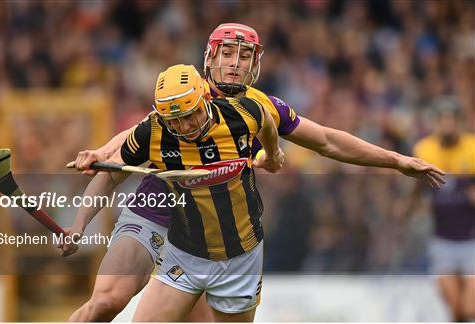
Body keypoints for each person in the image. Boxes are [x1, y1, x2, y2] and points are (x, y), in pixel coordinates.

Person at [63, 23, 446, 321]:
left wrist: (397, 160)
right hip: (157, 211)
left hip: (216, 234)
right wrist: (100, 156)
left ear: (255, 63)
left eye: (245, 56)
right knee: (106, 304)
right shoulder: (187, 95)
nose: (235, 63)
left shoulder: (259, 106)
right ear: (209, 59)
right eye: (227, 53)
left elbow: (328, 141)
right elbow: (137, 134)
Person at [67, 63, 283, 321]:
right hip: (161, 220)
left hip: (226, 243)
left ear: (206, 99)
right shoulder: (154, 132)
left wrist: (273, 154)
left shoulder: (242, 115)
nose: (184, 127)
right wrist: (78, 226)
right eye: (174, 121)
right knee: (107, 300)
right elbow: (111, 173)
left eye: (190, 115)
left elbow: (267, 122)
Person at [412, 97, 475, 322]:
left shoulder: (473, 148)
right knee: (456, 311)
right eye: (442, 120)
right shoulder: (424, 149)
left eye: (451, 120)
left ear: (459, 122)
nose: (447, 125)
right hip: (442, 241)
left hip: (471, 241)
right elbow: (417, 191)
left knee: (470, 309)